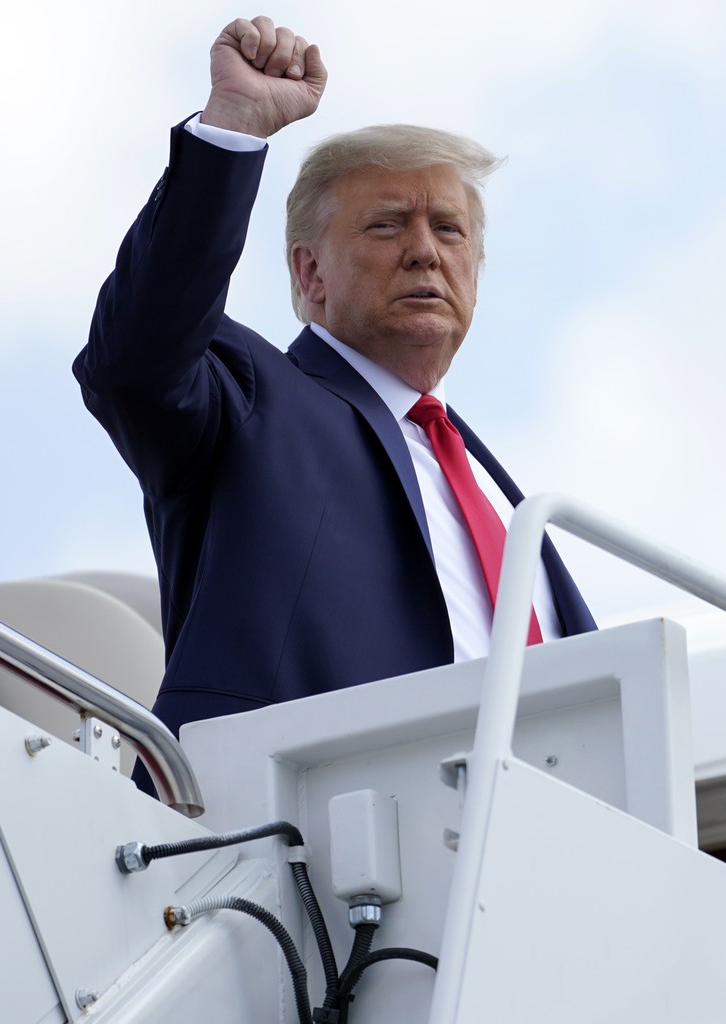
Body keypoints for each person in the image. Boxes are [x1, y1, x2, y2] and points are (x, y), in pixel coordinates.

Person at [75, 16, 596, 748]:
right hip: (289, 840)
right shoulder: (251, 403)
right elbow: (136, 360)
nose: (424, 251)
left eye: (449, 231)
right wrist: (233, 129)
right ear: (310, 272)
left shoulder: (510, 506)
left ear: (475, 271)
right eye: (386, 226)